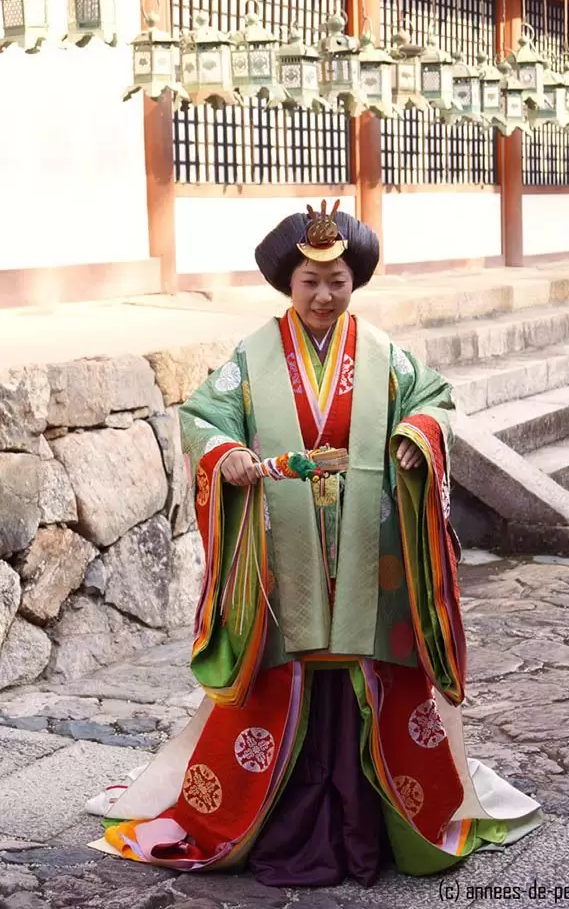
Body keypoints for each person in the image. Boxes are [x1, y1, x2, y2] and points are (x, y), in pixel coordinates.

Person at [90, 202, 541, 884]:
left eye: (337, 282)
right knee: (285, 678)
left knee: (373, 676)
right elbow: (205, 417)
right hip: (285, 552)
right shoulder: (254, 355)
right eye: (310, 281)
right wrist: (227, 453)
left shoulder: (385, 354)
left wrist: (417, 438)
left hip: (371, 555)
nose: (325, 295)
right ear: (288, 284)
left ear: (353, 282)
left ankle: (381, 818)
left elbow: (435, 400)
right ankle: (272, 817)